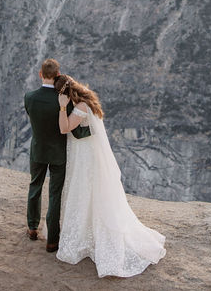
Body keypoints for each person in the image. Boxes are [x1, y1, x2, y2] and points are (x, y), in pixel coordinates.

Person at [54, 74, 166, 277]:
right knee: (88, 193)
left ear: (65, 94)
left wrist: (62, 106)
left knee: (84, 192)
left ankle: (85, 237)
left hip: (84, 158)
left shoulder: (79, 108)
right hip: (88, 154)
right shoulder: (88, 101)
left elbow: (64, 128)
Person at [23, 58, 66, 252]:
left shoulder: (29, 97)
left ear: (41, 74)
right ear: (58, 75)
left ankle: (32, 228)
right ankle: (52, 241)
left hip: (38, 149)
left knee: (35, 186)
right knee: (55, 194)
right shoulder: (62, 100)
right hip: (58, 152)